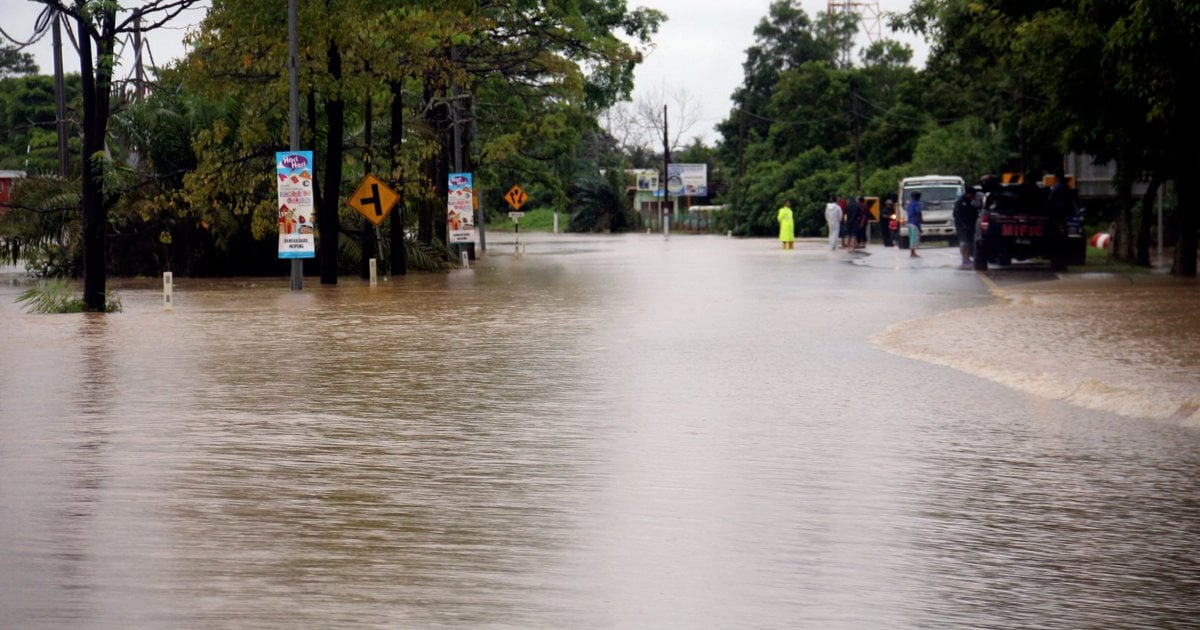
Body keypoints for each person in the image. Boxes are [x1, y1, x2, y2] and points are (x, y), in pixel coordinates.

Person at [953, 186, 978, 267]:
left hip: (969, 226)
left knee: (968, 242)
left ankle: (967, 258)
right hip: (962, 226)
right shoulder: (960, 202)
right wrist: (962, 224)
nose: (974, 197)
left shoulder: (970, 201)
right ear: (969, 194)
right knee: (964, 242)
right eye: (973, 195)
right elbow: (956, 214)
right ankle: (964, 259)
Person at [906, 191, 923, 257]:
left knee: (911, 237)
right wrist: (921, 220)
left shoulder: (909, 204)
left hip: (909, 222)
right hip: (915, 222)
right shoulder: (917, 204)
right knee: (914, 238)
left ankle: (912, 252)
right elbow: (918, 212)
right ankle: (913, 253)